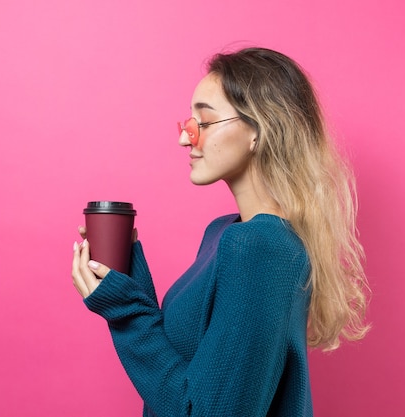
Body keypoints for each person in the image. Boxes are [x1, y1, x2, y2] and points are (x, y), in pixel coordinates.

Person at [72, 47, 370, 417]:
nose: (186, 139)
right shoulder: (223, 234)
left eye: (205, 122)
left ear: (259, 131)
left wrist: (124, 311)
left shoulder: (262, 247)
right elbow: (186, 368)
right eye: (187, 124)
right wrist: (129, 284)